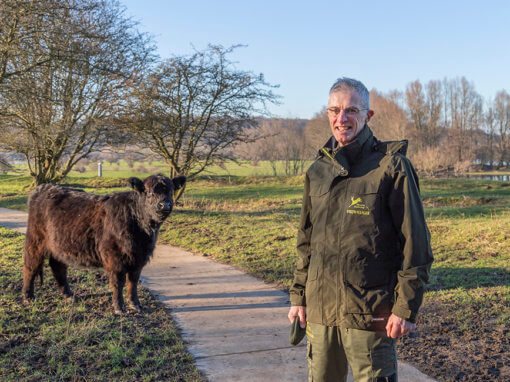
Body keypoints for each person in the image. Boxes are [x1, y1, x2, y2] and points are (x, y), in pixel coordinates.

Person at [288, 77, 433, 382]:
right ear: (328, 114)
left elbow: (415, 246)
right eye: (335, 110)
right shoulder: (317, 172)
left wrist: (405, 307)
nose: (342, 119)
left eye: (351, 110)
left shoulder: (391, 168)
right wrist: (299, 296)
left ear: (368, 116)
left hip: (371, 315)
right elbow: (306, 241)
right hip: (320, 314)